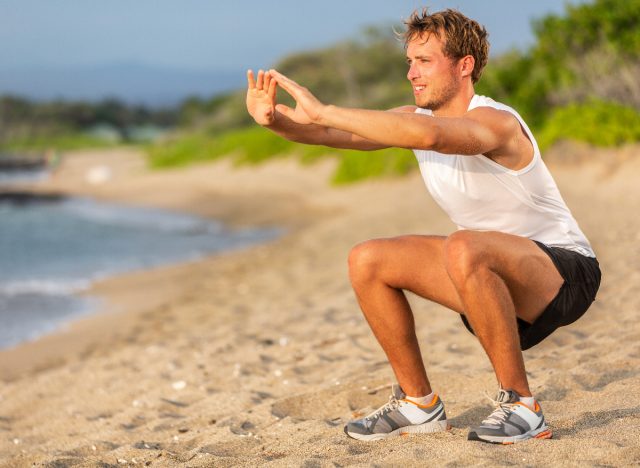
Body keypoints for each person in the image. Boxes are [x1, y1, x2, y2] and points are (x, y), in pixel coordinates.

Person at [245, 8, 601, 445]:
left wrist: (326, 109)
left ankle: (522, 407)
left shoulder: (496, 121)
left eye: (425, 61)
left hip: (564, 275)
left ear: (464, 65)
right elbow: (331, 135)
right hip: (484, 280)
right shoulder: (416, 118)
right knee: (369, 259)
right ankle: (418, 403)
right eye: (410, 61)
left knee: (465, 245)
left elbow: (433, 137)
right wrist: (273, 121)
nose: (412, 72)